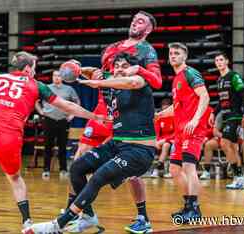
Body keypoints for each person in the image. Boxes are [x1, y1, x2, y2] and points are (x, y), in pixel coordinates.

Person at [0, 51, 106, 234]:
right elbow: (67, 106)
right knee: (15, 179)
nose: (34, 71)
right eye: (34, 68)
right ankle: (26, 222)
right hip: (11, 137)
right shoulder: (36, 85)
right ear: (26, 68)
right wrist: (93, 115)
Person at [22, 52, 158, 234]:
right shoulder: (113, 78)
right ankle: (88, 216)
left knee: (98, 177)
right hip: (117, 144)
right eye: (116, 66)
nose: (119, 69)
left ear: (132, 68)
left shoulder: (138, 81)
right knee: (77, 167)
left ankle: (57, 225)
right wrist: (78, 69)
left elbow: (130, 82)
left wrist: (99, 83)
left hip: (139, 150)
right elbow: (94, 72)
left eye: (124, 66)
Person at [63, 10, 162, 234]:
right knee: (79, 161)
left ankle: (142, 217)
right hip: (105, 110)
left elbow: (155, 81)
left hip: (130, 111)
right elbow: (102, 76)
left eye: (142, 21)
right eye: (135, 18)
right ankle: (79, 212)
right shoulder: (111, 48)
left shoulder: (146, 50)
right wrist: (81, 70)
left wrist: (139, 70)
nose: (136, 22)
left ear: (148, 29)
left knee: (131, 173)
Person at [157, 43, 211, 223]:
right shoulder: (176, 78)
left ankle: (194, 209)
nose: (173, 56)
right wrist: (160, 114)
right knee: (173, 169)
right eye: (171, 53)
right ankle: (188, 206)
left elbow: (204, 96)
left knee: (189, 167)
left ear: (184, 56)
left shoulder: (190, 73)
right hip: (179, 133)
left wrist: (196, 119)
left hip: (193, 130)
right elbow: (177, 106)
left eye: (177, 53)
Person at [36, 70, 80, 179]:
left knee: (62, 147)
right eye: (54, 75)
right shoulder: (46, 88)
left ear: (63, 77)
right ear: (52, 77)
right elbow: (36, 101)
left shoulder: (69, 89)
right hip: (49, 119)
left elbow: (77, 102)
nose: (56, 77)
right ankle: (46, 170)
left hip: (63, 120)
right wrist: (41, 112)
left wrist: (72, 115)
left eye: (59, 76)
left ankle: (63, 170)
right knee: (48, 146)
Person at [214, 52, 244, 189]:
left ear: (227, 61)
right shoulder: (219, 80)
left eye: (221, 59)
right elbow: (221, 100)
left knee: (224, 143)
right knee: (233, 148)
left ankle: (238, 176)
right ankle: (240, 179)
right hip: (226, 116)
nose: (219, 62)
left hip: (235, 116)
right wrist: (213, 113)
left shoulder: (233, 76)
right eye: (216, 60)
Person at [153, 98, 174, 177]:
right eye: (163, 108)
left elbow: (176, 132)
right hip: (161, 140)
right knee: (155, 145)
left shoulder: (174, 117)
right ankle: (158, 166)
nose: (165, 111)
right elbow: (156, 131)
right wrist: (157, 141)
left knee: (166, 145)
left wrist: (166, 140)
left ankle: (157, 167)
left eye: (167, 109)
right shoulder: (160, 117)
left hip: (172, 139)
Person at [200, 112, 223, 180]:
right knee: (208, 144)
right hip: (217, 137)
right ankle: (206, 171)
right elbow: (211, 130)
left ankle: (240, 172)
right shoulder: (216, 115)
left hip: (229, 138)